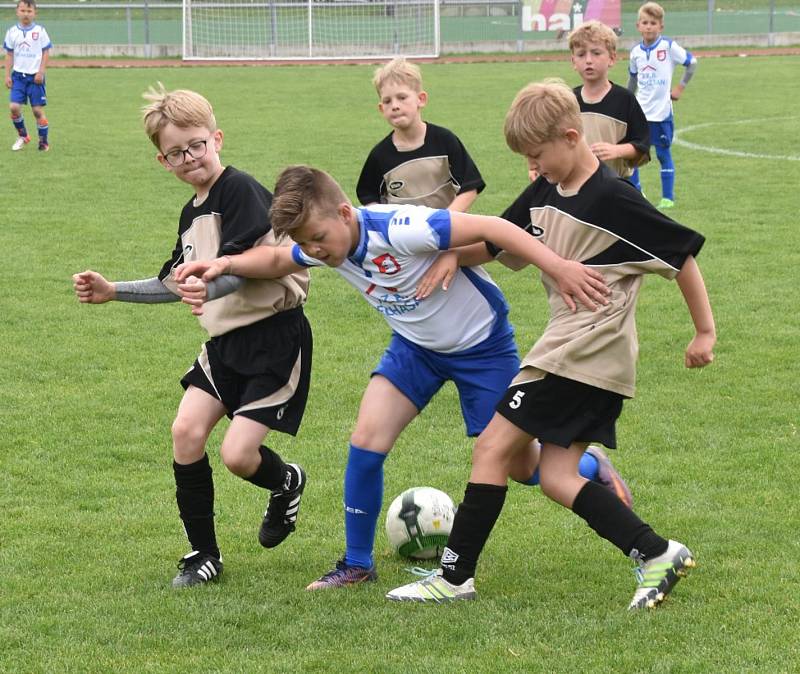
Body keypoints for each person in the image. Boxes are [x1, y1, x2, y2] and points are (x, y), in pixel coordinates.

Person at [175, 164, 624, 593]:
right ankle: (356, 564)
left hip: (481, 348)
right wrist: (224, 265)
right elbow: (276, 259)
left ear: (345, 214)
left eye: (318, 238)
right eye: (305, 243)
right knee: (366, 442)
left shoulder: (399, 227)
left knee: (521, 466)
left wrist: (558, 268)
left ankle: (591, 468)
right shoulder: (323, 245)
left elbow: (496, 229)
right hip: (415, 349)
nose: (314, 250)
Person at [385, 79, 715, 610]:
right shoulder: (544, 190)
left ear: (570, 135)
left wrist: (704, 332)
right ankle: (656, 553)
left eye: (537, 155)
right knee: (559, 477)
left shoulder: (613, 198)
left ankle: (454, 577)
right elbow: (495, 241)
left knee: (492, 448)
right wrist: (446, 255)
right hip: (578, 355)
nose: (532, 167)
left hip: (583, 352)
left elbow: (682, 255)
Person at [72, 86, 313, 588]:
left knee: (238, 456)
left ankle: (286, 480)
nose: (189, 159)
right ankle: (203, 554)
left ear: (216, 138)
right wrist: (113, 290)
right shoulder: (192, 213)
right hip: (224, 345)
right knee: (186, 433)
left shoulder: (240, 190)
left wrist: (210, 284)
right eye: (176, 153)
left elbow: (242, 267)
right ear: (163, 161)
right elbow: (175, 281)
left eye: (196, 146)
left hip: (274, 340)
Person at [356, 57, 485, 212]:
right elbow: (368, 196)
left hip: (449, 232)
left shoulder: (444, 141)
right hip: (402, 236)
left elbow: (469, 187)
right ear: (381, 108)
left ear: (421, 99)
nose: (395, 106)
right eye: (387, 101)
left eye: (402, 97)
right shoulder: (380, 155)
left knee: (479, 237)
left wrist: (445, 221)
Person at [628, 1, 698, 209]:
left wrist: (680, 88)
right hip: (640, 113)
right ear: (638, 25)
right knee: (634, 156)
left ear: (661, 26)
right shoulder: (635, 53)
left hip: (661, 114)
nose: (649, 26)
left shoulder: (667, 46)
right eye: (645, 22)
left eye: (653, 23)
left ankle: (668, 198)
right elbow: (632, 79)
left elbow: (692, 63)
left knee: (662, 154)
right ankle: (637, 195)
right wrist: (626, 101)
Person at [569, 19, 650, 183]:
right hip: (578, 188)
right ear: (574, 62)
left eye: (596, 53)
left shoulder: (625, 99)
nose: (589, 60)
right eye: (581, 54)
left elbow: (642, 146)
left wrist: (617, 150)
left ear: (612, 58)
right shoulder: (568, 101)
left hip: (617, 186)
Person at [4, 0, 51, 151]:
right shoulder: (12, 32)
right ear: (17, 12)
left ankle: (43, 142)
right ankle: (23, 136)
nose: (26, 14)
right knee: (14, 107)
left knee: (37, 111)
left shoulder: (40, 31)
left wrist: (41, 72)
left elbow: (45, 52)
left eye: (29, 11)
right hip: (18, 76)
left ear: (35, 13)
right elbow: (9, 54)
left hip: (35, 78)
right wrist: (7, 75)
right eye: (23, 11)